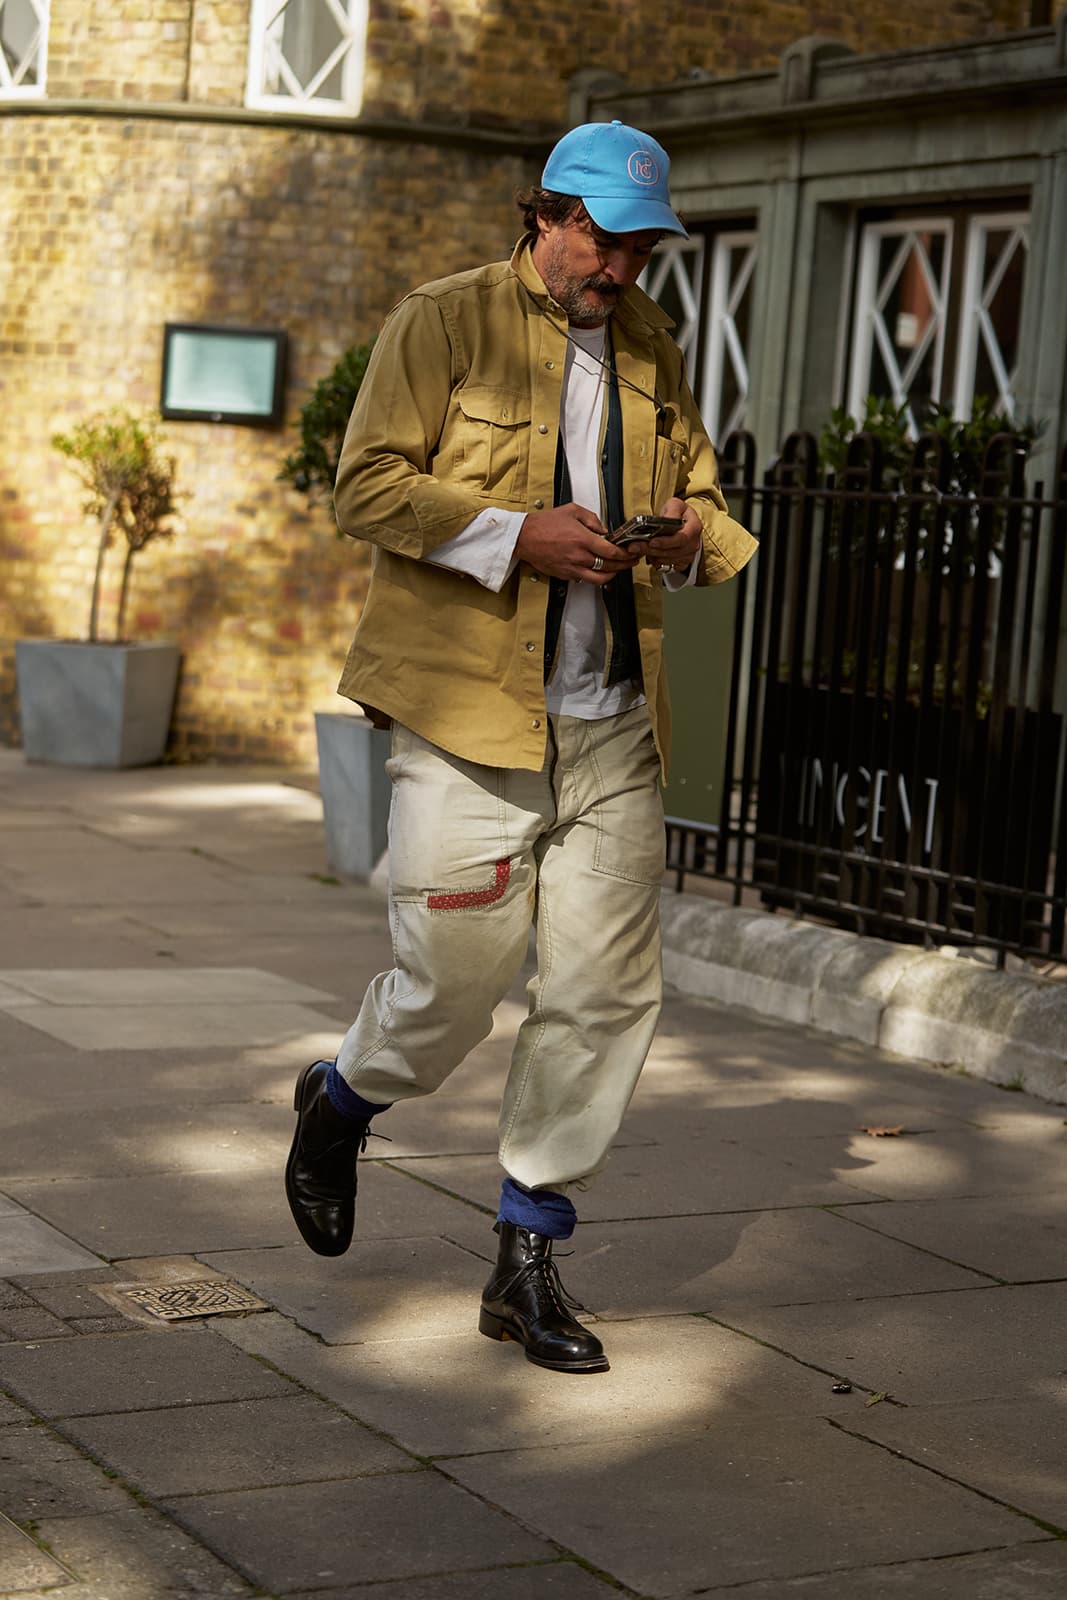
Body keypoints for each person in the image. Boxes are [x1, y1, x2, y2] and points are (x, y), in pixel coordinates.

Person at [285, 119, 757, 1374]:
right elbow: (364, 484)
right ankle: (340, 1098)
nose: (620, 270)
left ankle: (526, 1254)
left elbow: (709, 502)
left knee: (600, 995)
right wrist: (514, 532)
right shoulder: (441, 321)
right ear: (543, 214)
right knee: (449, 983)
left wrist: (683, 537)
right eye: (604, 241)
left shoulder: (651, 344)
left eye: (641, 249)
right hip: (468, 717)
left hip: (611, 723)